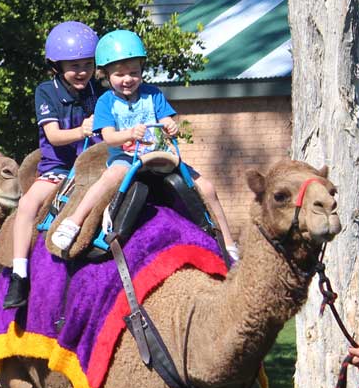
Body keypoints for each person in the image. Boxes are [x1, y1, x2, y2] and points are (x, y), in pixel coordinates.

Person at [51, 29, 239, 261]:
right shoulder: (106, 102)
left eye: (134, 72)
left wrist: (171, 126)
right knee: (109, 178)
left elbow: (165, 118)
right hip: (126, 157)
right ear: (106, 75)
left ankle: (227, 241)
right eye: (120, 74)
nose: (128, 79)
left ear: (142, 71)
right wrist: (129, 134)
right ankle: (74, 222)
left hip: (158, 154)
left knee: (207, 187)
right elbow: (109, 137)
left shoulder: (153, 94)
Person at [3, 21, 101, 309]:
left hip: (95, 167)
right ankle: (19, 274)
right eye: (74, 65)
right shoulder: (46, 92)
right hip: (57, 169)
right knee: (27, 206)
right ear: (56, 66)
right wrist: (83, 130)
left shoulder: (99, 90)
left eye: (87, 64)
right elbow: (54, 136)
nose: (82, 71)